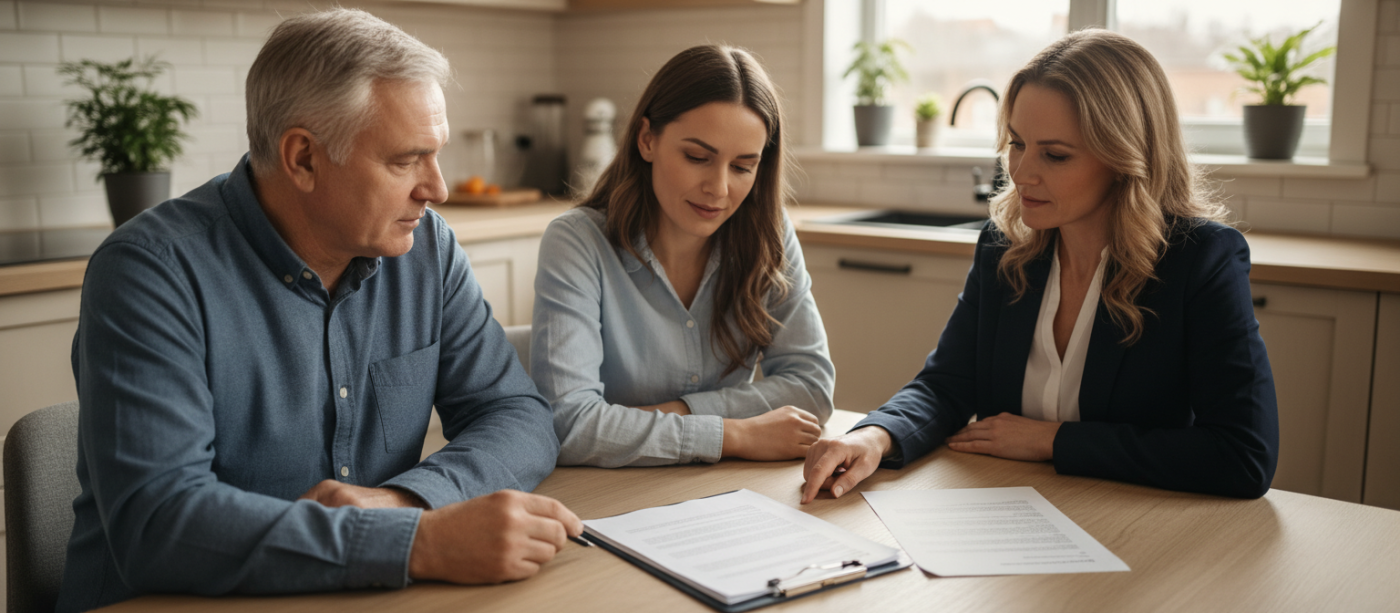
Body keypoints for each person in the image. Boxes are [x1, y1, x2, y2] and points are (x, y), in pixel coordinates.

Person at [60, 10, 580, 611]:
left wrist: (409, 502)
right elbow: (159, 523)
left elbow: (515, 413)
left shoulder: (426, 248)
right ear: (303, 158)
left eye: (434, 156)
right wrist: (416, 542)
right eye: (406, 160)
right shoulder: (150, 270)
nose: (437, 189)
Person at [802, 29, 1279, 503]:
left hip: (1135, 525)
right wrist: (873, 437)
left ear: (1125, 157)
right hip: (1013, 509)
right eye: (1016, 143)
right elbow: (946, 385)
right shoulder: (1003, 246)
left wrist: (1051, 440)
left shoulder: (1200, 260)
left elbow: (1243, 455)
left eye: (1054, 155)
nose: (1021, 172)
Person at [531, 45, 834, 467]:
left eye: (743, 166)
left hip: (720, 491)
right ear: (647, 139)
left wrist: (672, 416)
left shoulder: (769, 232)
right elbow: (569, 426)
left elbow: (811, 389)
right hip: (606, 496)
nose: (719, 188)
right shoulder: (577, 242)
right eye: (697, 157)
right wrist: (734, 434)